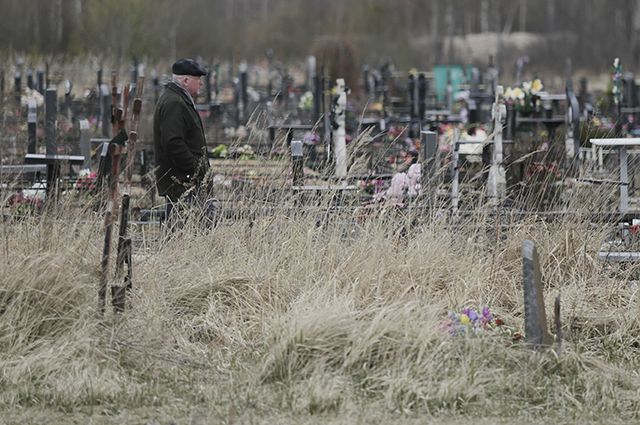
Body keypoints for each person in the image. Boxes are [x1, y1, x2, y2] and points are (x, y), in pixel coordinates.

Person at [153, 59, 211, 229]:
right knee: (179, 232)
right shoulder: (174, 103)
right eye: (197, 79)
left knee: (185, 232)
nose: (200, 83)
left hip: (183, 181)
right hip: (180, 182)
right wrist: (195, 169)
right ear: (185, 81)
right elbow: (173, 143)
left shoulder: (178, 99)